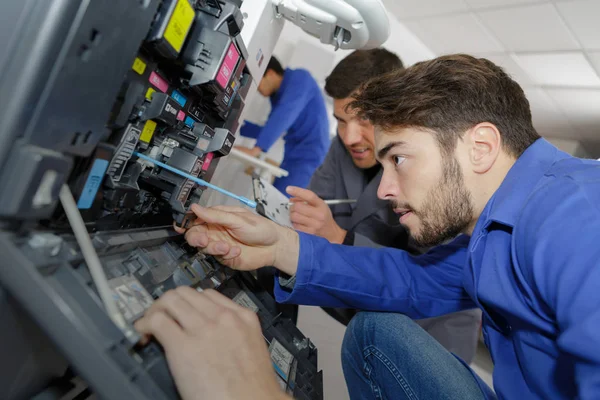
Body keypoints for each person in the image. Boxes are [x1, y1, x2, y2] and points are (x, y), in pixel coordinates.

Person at [137, 54, 600, 399]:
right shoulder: (489, 223)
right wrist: (281, 246)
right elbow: (413, 279)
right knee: (374, 335)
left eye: (398, 158)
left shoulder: (576, 215)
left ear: (479, 147)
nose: (382, 189)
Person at [285, 48, 481, 363]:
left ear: (395, 107)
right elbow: (314, 203)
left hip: (429, 330)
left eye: (363, 118)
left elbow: (423, 274)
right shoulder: (345, 146)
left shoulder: (435, 167)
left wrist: (338, 237)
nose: (349, 137)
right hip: (357, 306)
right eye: (340, 120)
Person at [236, 57, 330, 195]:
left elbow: (283, 116)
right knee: (274, 199)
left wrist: (255, 150)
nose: (257, 89)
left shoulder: (300, 79)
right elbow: (272, 127)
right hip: (293, 155)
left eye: (258, 82)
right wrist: (238, 125)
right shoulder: (278, 95)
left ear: (271, 74)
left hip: (309, 159)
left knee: (279, 202)